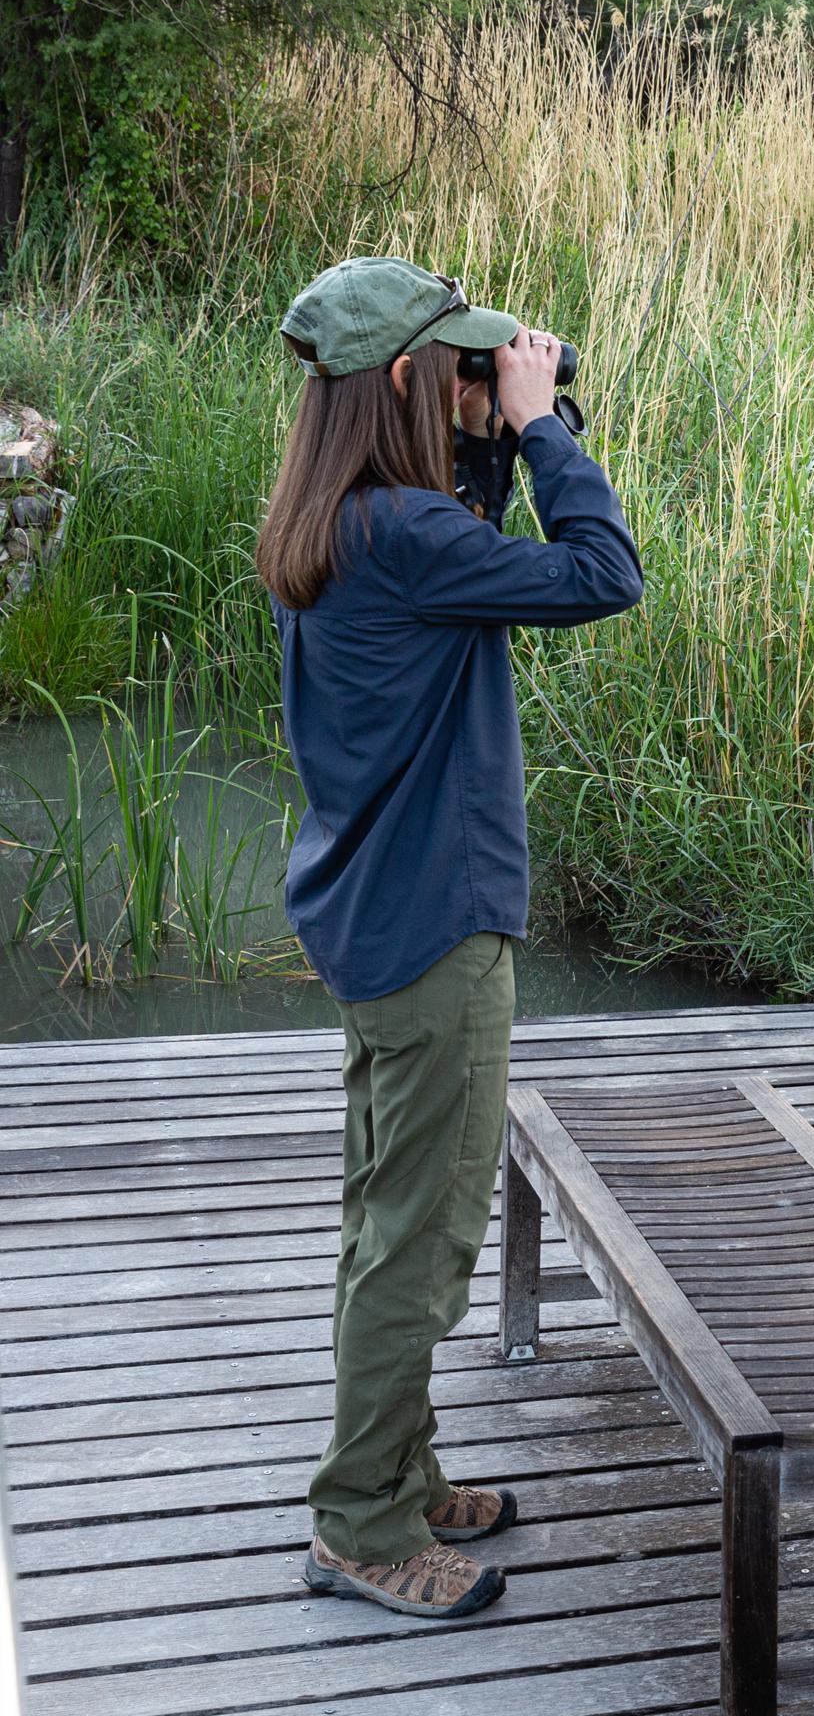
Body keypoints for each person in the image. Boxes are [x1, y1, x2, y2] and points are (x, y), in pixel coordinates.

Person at [256, 256, 644, 1619]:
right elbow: (603, 573)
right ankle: (361, 1524)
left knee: (385, 1223)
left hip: (374, 919)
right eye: (469, 368)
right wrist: (541, 430)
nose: (496, 381)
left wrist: (490, 438)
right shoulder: (411, 541)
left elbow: (469, 550)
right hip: (436, 937)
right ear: (411, 382)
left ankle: (402, 1475)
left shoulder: (344, 519)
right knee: (421, 1249)